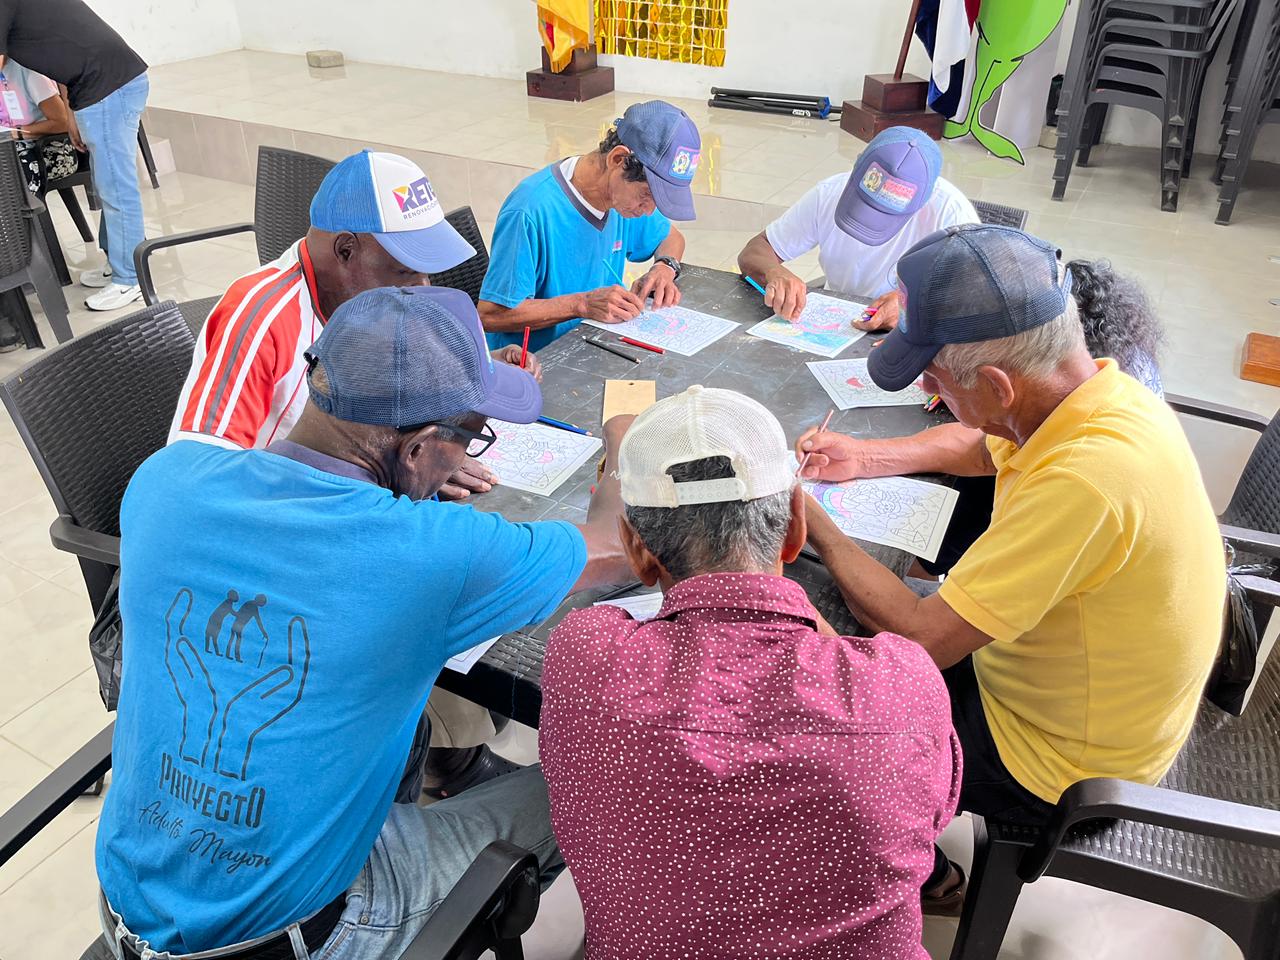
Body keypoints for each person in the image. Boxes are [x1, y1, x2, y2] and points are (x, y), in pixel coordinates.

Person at [95, 284, 633, 958]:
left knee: (394, 718)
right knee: (605, 773)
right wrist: (623, 440)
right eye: (470, 436)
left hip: (128, 903)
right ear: (417, 449)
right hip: (288, 938)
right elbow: (615, 546)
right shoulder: (431, 554)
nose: (470, 452)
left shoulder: (164, 479)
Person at [794, 224, 1224, 909]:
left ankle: (910, 873)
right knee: (844, 630)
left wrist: (810, 517)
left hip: (1061, 767)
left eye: (936, 380)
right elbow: (978, 447)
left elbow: (921, 639)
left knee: (804, 708)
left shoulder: (1084, 481)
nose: (931, 392)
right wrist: (866, 456)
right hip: (1078, 696)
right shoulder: (1097, 395)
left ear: (998, 385)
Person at [541, 385, 961, 957]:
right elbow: (932, 818)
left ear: (637, 551)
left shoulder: (585, 655)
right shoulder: (899, 684)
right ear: (795, 529)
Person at [169, 149, 535, 799]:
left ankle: (451, 750)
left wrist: (434, 445)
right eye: (405, 270)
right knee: (422, 591)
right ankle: (427, 765)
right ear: (345, 250)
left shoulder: (375, 302)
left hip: (359, 495)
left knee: (458, 557)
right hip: (275, 545)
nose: (421, 287)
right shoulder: (262, 318)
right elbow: (198, 486)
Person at [478, 100, 698, 351]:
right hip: (536, 360)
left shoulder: (622, 200)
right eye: (647, 195)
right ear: (618, 159)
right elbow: (490, 315)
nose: (648, 210)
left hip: (594, 345)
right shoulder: (530, 211)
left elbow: (672, 238)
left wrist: (665, 267)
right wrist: (581, 304)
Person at [737, 125, 977, 330]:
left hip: (904, 333)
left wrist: (911, 307)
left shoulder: (951, 214)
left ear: (924, 200)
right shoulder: (829, 193)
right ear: (856, 171)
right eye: (864, 205)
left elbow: (974, 297)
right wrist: (774, 272)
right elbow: (756, 250)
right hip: (837, 321)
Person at [0, 0, 151, 311]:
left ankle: (130, 279)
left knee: (116, 186)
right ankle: (117, 262)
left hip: (107, 85)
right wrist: (71, 112)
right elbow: (65, 49)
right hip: (97, 84)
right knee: (107, 181)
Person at [0, 60, 78, 193]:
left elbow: (63, 122)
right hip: (9, 146)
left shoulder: (29, 71)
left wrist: (17, 133)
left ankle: (21, 206)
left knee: (9, 169)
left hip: (51, 148)